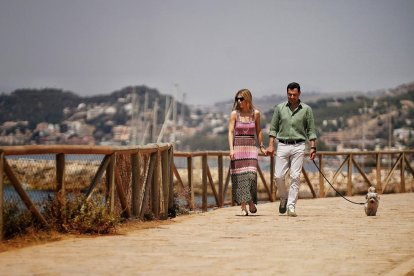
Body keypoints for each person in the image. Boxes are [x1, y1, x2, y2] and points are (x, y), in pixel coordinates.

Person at [266, 82, 317, 217]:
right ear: (287, 93)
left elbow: (311, 130)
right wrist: (271, 145)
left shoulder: (306, 110)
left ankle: (291, 206)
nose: (292, 97)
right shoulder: (280, 108)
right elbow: (273, 128)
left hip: (299, 145)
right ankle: (283, 197)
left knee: (295, 176)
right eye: (289, 94)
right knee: (278, 176)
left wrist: (313, 147)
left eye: (294, 94)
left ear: (299, 93)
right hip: (282, 145)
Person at [228, 89, 265, 216]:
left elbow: (259, 131)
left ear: (248, 99)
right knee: (240, 178)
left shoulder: (256, 114)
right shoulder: (234, 114)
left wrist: (261, 146)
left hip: (251, 148)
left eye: (241, 99)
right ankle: (244, 206)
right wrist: (231, 149)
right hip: (238, 148)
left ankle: (249, 201)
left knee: (251, 176)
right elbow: (231, 132)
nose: (239, 101)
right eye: (237, 99)